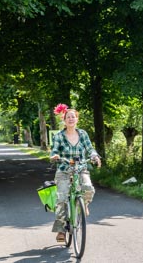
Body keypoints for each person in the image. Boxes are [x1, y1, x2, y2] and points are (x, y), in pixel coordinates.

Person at [50, 104, 101, 242]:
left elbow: (90, 149)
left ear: (77, 119)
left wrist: (95, 156)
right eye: (68, 117)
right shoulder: (59, 136)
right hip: (63, 170)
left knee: (89, 189)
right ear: (64, 120)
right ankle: (61, 230)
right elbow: (54, 150)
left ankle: (84, 204)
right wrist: (54, 156)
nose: (71, 119)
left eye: (73, 117)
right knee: (61, 199)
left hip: (80, 168)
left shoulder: (83, 134)